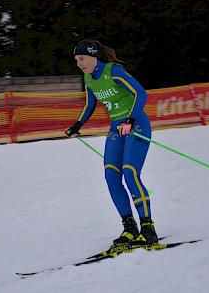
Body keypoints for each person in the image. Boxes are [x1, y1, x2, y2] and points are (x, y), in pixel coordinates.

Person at [65, 39, 158, 246]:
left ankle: (148, 228)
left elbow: (140, 93)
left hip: (136, 125)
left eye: (82, 58)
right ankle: (129, 228)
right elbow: (90, 105)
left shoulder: (113, 71)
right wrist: (77, 125)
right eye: (76, 60)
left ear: (93, 56)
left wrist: (130, 119)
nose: (79, 63)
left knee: (130, 172)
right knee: (111, 175)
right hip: (117, 128)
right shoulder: (89, 78)